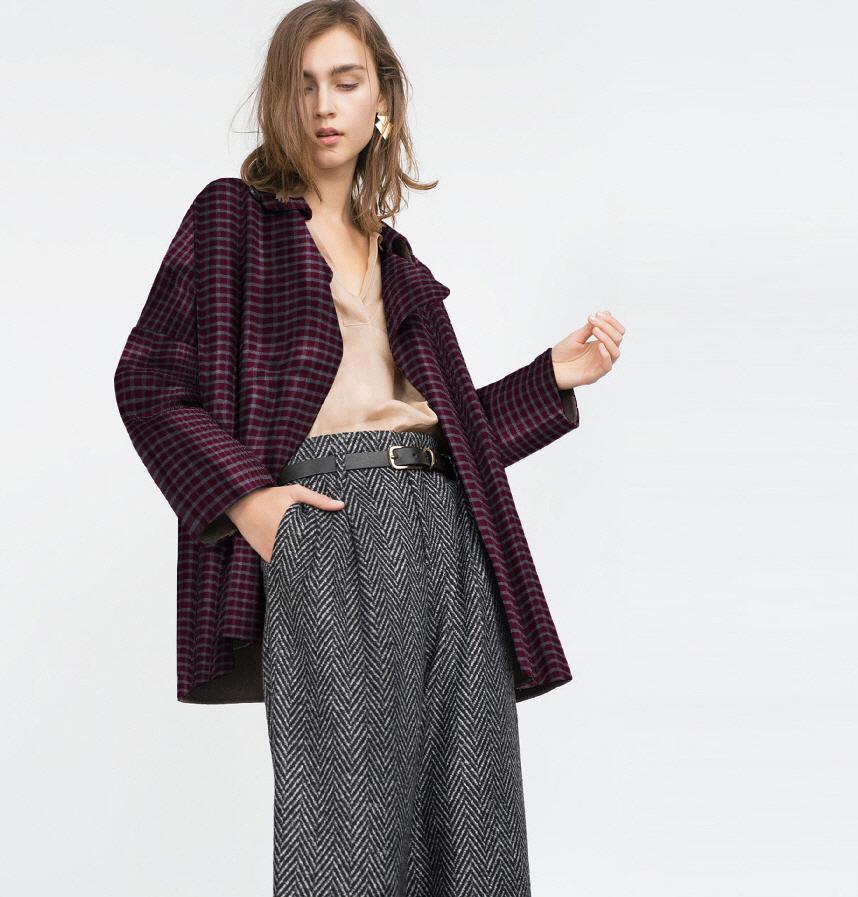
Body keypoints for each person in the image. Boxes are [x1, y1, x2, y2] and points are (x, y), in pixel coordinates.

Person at [113, 2, 624, 894]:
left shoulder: (398, 258)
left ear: (381, 99)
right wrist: (251, 503)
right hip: (330, 528)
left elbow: (448, 438)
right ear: (281, 100)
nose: (325, 105)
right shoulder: (236, 221)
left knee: (475, 828)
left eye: (346, 82)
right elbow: (148, 379)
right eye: (305, 84)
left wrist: (552, 376)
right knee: (348, 840)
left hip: (450, 536)